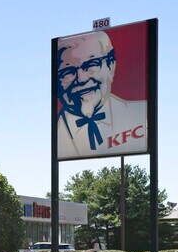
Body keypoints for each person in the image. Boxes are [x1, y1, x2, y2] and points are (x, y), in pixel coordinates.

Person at [56, 30, 147, 159]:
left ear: (111, 66)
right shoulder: (55, 133)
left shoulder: (142, 115)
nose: (81, 79)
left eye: (91, 64)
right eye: (67, 71)